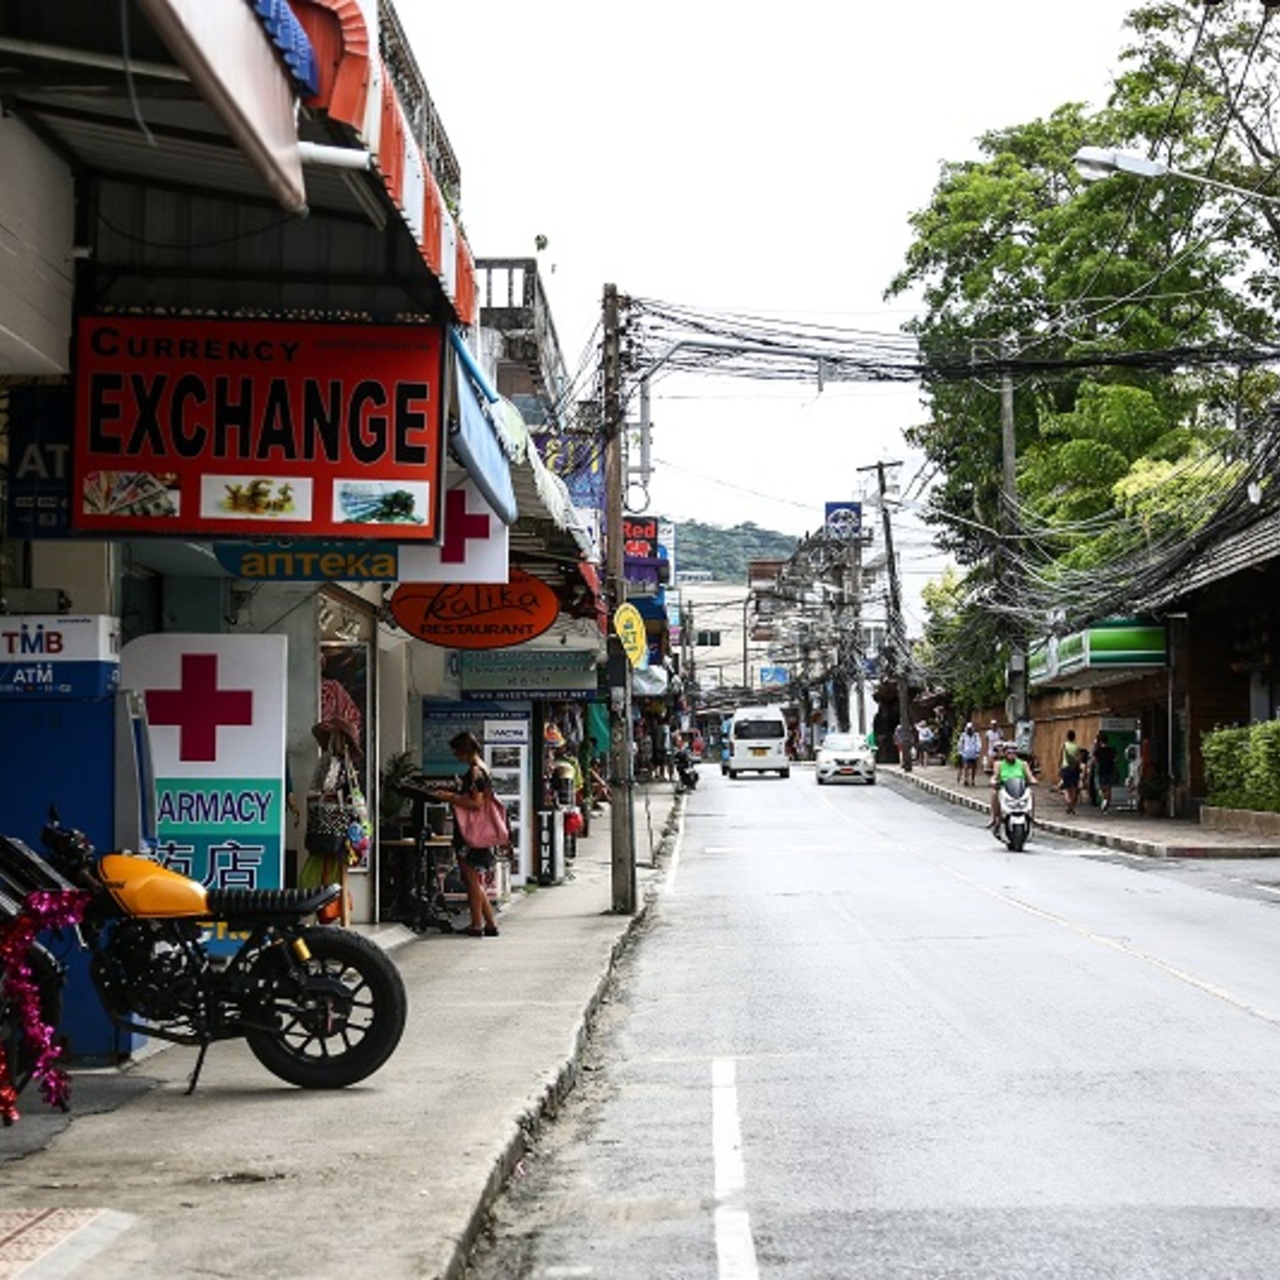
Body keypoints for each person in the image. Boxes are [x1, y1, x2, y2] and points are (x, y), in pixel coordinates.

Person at [428, 731, 500, 938]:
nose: (455, 756)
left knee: (471, 878)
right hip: (478, 833)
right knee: (474, 878)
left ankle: (477, 924)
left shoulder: (475, 772)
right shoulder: (483, 768)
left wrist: (450, 797)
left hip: (471, 833)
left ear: (465, 751)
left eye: (457, 752)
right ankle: (489, 923)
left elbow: (475, 803)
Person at [990, 740, 1038, 833]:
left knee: (1031, 793)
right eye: (1009, 752)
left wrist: (1033, 781)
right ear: (1004, 753)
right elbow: (995, 776)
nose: (1011, 754)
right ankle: (996, 819)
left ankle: (1031, 817)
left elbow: (1030, 776)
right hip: (1005, 788)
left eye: (1014, 752)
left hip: (1020, 789)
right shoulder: (999, 764)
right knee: (994, 793)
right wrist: (993, 781)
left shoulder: (1023, 764)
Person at [1093, 732, 1118, 813]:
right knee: (1108, 788)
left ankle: (1104, 800)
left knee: (1100, 788)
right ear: (1107, 741)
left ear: (1100, 742)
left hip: (1101, 771)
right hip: (1110, 770)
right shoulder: (1112, 750)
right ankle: (1106, 804)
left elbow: (1095, 761)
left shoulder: (1098, 751)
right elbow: (1116, 760)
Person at [1060, 729, 1083, 814]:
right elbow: (1079, 759)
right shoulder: (1076, 747)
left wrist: (1060, 767)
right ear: (1074, 737)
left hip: (1065, 768)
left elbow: (1060, 757)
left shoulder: (1064, 745)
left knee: (1066, 789)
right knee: (1073, 789)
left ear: (1067, 737)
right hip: (1074, 769)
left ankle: (1069, 803)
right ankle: (1072, 807)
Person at [957, 722, 982, 786]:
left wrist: (978, 751)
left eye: (970, 729)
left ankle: (973, 780)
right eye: (968, 729)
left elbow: (978, 743)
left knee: (974, 767)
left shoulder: (976, 735)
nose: (969, 730)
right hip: (965, 754)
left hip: (974, 754)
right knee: (966, 767)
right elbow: (960, 743)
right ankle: (966, 779)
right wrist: (960, 752)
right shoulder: (963, 735)